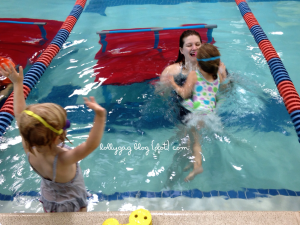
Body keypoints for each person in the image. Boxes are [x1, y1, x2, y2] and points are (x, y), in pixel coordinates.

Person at [0, 63, 106, 212]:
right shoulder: (63, 158)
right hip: (71, 202)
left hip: (48, 199)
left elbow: (19, 114)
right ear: (57, 138)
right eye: (65, 125)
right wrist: (100, 116)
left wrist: (18, 84)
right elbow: (91, 145)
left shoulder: (29, 148)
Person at [163, 43, 226, 181]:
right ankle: (194, 162)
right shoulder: (218, 77)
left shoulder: (194, 74)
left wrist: (173, 84)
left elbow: (185, 94)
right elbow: (221, 91)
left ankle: (198, 165)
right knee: (196, 140)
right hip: (210, 115)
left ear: (198, 61)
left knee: (194, 141)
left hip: (195, 114)